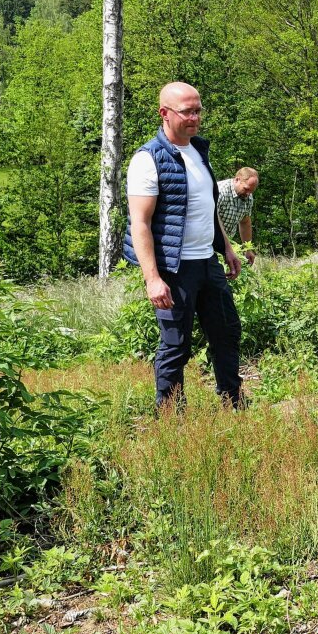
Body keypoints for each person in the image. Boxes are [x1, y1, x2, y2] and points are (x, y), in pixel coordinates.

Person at [123, 82, 244, 410]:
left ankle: (233, 401)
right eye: (187, 111)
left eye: (198, 110)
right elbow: (140, 223)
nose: (195, 117)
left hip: (207, 262)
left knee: (227, 332)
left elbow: (209, 205)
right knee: (176, 344)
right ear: (164, 113)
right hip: (174, 269)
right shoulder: (148, 160)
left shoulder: (198, 150)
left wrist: (227, 249)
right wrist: (152, 278)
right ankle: (170, 413)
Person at [217, 167, 259, 266]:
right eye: (246, 189)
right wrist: (227, 248)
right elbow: (212, 221)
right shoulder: (220, 191)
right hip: (208, 245)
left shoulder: (248, 197)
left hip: (226, 246)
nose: (248, 194)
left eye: (251, 192)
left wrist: (247, 249)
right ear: (237, 180)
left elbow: (245, 222)